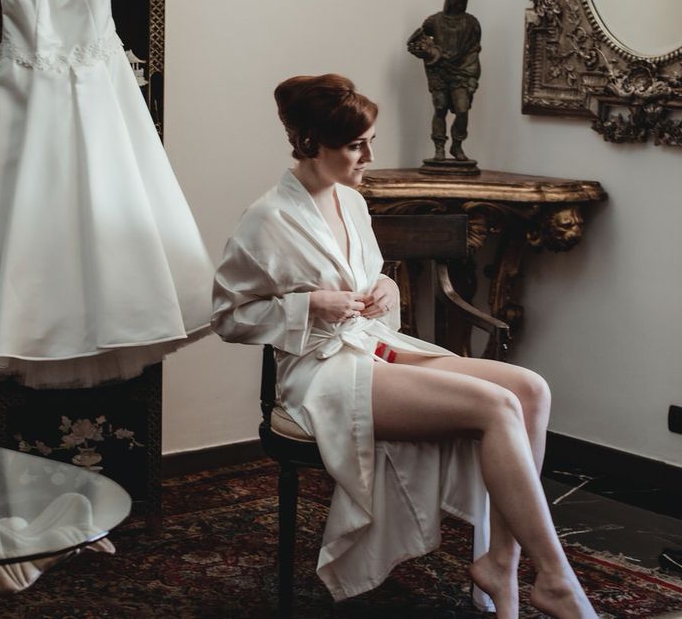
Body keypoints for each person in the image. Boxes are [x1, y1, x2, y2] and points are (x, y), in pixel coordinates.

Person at [212, 73, 597, 618]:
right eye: (355, 144)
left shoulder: (351, 201)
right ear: (310, 144)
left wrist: (386, 286)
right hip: (319, 373)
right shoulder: (267, 219)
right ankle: (557, 578)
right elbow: (228, 317)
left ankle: (502, 565)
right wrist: (308, 307)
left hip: (371, 344)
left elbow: (373, 280)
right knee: (495, 405)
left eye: (369, 138)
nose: (369, 153)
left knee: (529, 389)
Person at [407, 0, 481, 161]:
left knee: (462, 110)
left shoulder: (471, 23)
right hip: (439, 71)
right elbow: (417, 40)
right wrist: (429, 52)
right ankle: (439, 146)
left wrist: (472, 75)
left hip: (462, 71)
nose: (458, 3)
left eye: (461, 0)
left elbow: (474, 50)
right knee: (440, 108)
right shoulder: (435, 21)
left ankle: (457, 145)